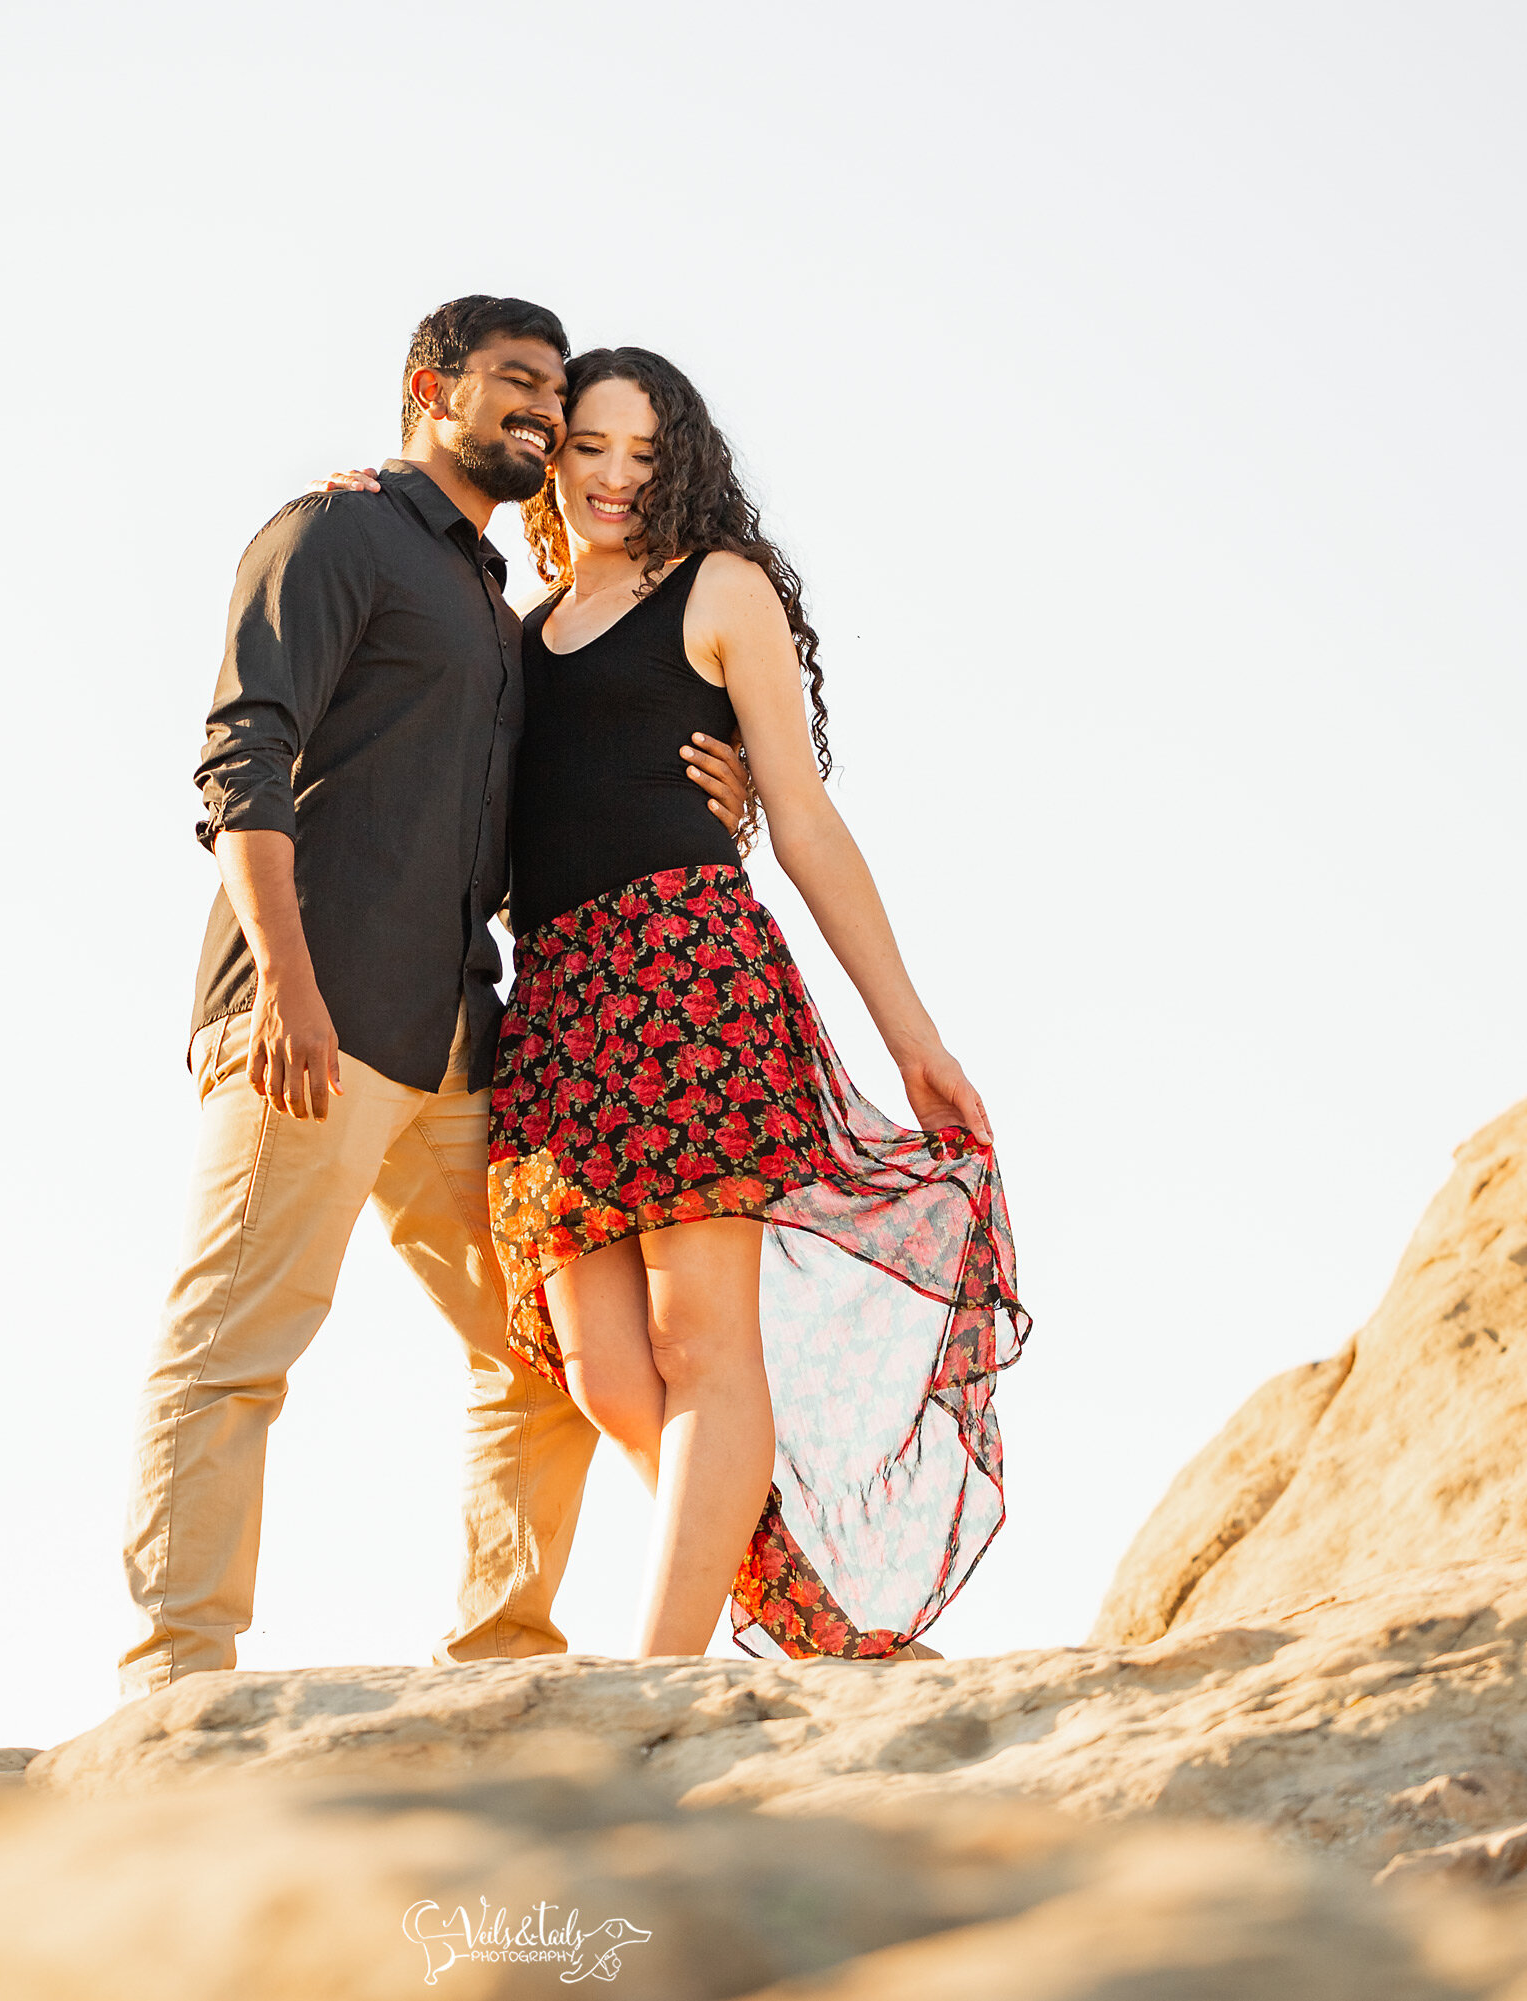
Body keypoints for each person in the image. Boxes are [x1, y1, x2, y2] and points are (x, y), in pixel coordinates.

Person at [324, 345, 1029, 1661]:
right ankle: (812, 1620)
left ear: (683, 464)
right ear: (549, 454)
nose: (613, 478)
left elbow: (806, 818)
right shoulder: (515, 638)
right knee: (601, 1369)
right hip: (563, 1003)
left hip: (690, 974)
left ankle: (660, 1677)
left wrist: (913, 1038)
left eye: (646, 455)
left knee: (705, 1340)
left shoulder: (719, 590)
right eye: (590, 447)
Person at [119, 300, 750, 1694]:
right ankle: (175, 1679)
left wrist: (724, 789)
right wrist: (289, 986)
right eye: (517, 385)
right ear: (428, 389)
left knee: (541, 1354)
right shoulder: (331, 535)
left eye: (559, 398)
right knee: (232, 1350)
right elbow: (242, 761)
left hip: (460, 1045)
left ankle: (499, 1649)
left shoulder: (491, 602)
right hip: (308, 1026)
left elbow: (566, 800)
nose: (541, 415)